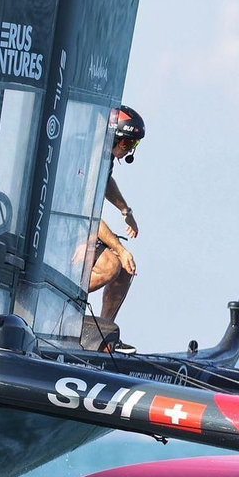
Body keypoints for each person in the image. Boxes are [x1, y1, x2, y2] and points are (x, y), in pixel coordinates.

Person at [86, 106, 144, 352]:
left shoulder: (106, 159)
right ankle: (58, 306)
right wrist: (119, 249)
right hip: (66, 229)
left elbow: (106, 182)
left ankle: (102, 334)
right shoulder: (89, 154)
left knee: (124, 272)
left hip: (84, 226)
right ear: (114, 137)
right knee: (112, 264)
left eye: (135, 145)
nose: (130, 150)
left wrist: (125, 211)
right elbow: (88, 215)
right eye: (129, 143)